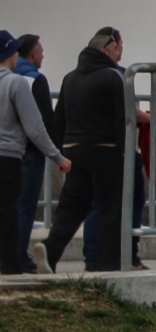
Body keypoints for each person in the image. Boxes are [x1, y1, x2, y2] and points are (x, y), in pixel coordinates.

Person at [41, 27, 137, 272]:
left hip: (73, 150)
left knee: (72, 206)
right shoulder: (112, 77)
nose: (120, 52)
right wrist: (124, 152)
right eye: (117, 47)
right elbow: (121, 119)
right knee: (110, 208)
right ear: (105, 50)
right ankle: (107, 264)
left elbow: (58, 118)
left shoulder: (70, 78)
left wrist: (61, 151)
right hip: (106, 149)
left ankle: (50, 251)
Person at [0, 31, 69, 275]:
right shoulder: (17, 83)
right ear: (10, 53)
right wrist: (57, 156)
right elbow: (36, 127)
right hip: (9, 157)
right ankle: (11, 264)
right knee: (15, 210)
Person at [9, 34, 56, 269]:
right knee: (25, 206)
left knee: (7, 205)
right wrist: (55, 151)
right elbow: (43, 120)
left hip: (7, 151)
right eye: (42, 51)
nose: (44, 55)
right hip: (28, 152)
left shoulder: (7, 77)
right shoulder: (34, 79)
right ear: (33, 54)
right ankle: (17, 257)